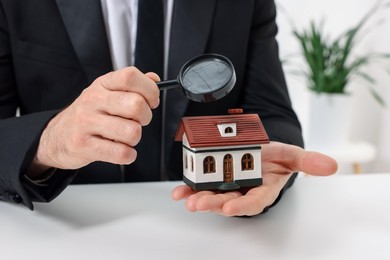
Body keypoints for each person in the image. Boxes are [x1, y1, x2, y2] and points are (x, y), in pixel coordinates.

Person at [0, 0, 337, 216]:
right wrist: (50, 142)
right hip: (64, 224)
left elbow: (274, 114)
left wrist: (255, 160)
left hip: (203, 228)